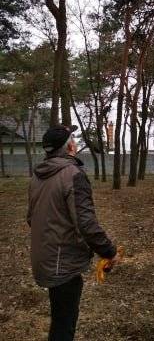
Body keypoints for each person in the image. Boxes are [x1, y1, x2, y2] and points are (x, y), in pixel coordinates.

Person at [27, 124, 119, 341]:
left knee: (60, 318)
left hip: (45, 259)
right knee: (63, 327)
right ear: (70, 146)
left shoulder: (38, 176)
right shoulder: (73, 174)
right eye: (74, 139)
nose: (76, 142)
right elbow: (86, 224)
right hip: (62, 265)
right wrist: (109, 251)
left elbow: (31, 218)